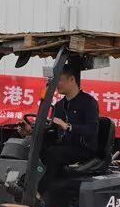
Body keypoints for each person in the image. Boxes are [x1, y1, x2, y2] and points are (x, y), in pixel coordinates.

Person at [18, 57, 99, 193]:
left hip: (83, 149)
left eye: (60, 80)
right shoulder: (59, 105)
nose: (57, 84)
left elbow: (92, 129)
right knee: (37, 145)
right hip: (65, 147)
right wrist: (31, 131)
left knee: (54, 153)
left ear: (71, 79)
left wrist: (68, 126)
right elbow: (52, 130)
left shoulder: (88, 103)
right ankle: (28, 183)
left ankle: (39, 191)